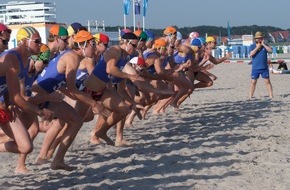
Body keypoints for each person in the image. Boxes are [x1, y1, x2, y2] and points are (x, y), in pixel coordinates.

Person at [31, 30, 109, 171]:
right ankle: (45, 157)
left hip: (46, 94)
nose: (95, 47)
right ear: (83, 45)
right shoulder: (72, 58)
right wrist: (93, 103)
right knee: (27, 134)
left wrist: (73, 96)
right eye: (92, 44)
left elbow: (64, 84)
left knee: (75, 121)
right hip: (38, 96)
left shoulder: (72, 56)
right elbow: (72, 88)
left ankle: (56, 160)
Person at [0, 26, 54, 174]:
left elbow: (9, 89)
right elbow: (19, 97)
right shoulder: (12, 58)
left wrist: (8, 102)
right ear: (24, 41)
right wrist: (40, 112)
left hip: (3, 105)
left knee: (26, 146)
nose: (40, 44)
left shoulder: (25, 60)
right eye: (37, 41)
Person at [249, 31, 273, 99]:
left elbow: (270, 51)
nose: (259, 39)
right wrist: (257, 47)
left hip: (264, 67)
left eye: (260, 38)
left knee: (267, 81)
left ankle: (271, 95)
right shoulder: (252, 46)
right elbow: (251, 54)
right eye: (257, 38)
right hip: (255, 68)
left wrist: (263, 45)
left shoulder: (265, 45)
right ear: (255, 39)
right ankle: (250, 96)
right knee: (253, 82)